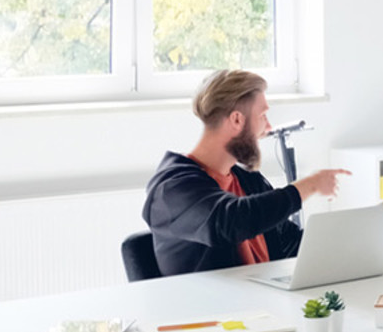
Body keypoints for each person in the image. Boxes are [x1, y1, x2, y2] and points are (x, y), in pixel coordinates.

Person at [144, 69, 349, 277]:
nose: (268, 128)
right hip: (214, 308)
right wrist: (310, 185)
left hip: (262, 302)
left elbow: (290, 242)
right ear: (236, 120)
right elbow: (231, 221)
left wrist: (355, 236)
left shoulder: (247, 181)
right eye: (263, 116)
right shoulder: (171, 189)